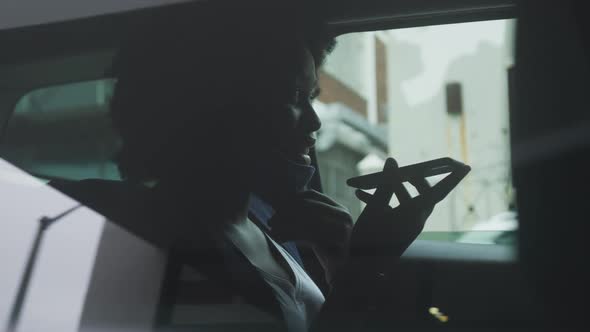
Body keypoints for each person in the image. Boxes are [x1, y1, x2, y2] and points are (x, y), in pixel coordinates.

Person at [106, 1, 437, 331]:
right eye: (293, 96)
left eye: (312, 97)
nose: (314, 121)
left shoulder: (264, 225)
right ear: (216, 107)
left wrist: (341, 266)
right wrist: (363, 272)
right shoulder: (171, 249)